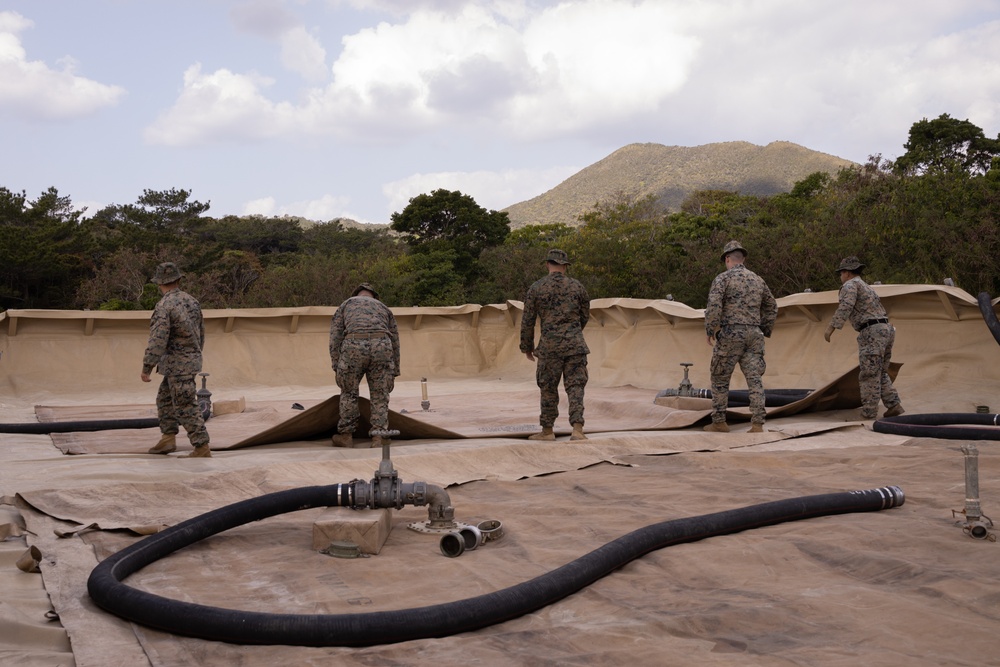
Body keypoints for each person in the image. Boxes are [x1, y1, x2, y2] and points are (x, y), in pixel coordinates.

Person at [703, 241, 778, 433]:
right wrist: (765, 329)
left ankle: (719, 421)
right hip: (754, 334)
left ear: (727, 259)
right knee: (754, 379)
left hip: (731, 333)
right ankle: (757, 423)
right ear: (742, 259)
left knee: (720, 377)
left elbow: (714, 305)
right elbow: (771, 306)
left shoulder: (722, 279)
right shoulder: (758, 280)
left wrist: (710, 328)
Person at [520, 249, 591, 441]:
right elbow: (585, 315)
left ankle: (547, 431)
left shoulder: (537, 287)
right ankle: (577, 429)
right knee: (576, 386)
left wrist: (527, 346)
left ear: (547, 264)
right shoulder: (577, 287)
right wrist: (574, 332)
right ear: (565, 266)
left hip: (549, 347)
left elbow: (528, 319)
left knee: (548, 388)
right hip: (575, 345)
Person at [141, 262, 211, 458]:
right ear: (178, 280)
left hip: (177, 364)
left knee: (186, 404)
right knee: (165, 400)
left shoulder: (164, 305)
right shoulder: (192, 301)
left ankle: (201, 447)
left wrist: (147, 366)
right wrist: (194, 357)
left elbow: (158, 338)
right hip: (186, 362)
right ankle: (168, 439)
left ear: (159, 284)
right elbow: (201, 334)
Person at [824, 256, 904, 420]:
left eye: (841, 273)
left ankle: (869, 413)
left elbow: (846, 305)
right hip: (886, 329)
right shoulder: (866, 286)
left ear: (846, 273)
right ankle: (894, 405)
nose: (841, 277)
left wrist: (831, 327)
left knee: (869, 373)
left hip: (872, 331)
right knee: (880, 371)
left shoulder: (850, 285)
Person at [329, 283, 400, 448]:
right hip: (382, 345)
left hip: (353, 345)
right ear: (373, 296)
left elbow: (335, 336)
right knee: (380, 394)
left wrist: (336, 365)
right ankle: (379, 437)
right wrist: (395, 369)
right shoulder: (384, 307)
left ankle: (346, 436)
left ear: (356, 295)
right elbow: (395, 339)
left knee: (349, 392)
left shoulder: (346, 304)